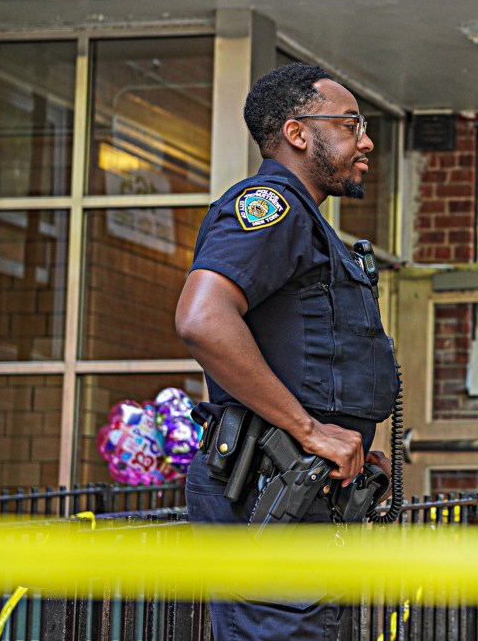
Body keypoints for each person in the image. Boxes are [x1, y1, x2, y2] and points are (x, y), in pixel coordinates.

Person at [176, 62, 398, 641]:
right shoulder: (269, 206)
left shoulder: (307, 222)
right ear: (298, 133)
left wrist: (347, 442)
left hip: (305, 486)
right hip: (272, 489)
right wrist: (309, 430)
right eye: (350, 124)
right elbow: (203, 319)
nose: (366, 140)